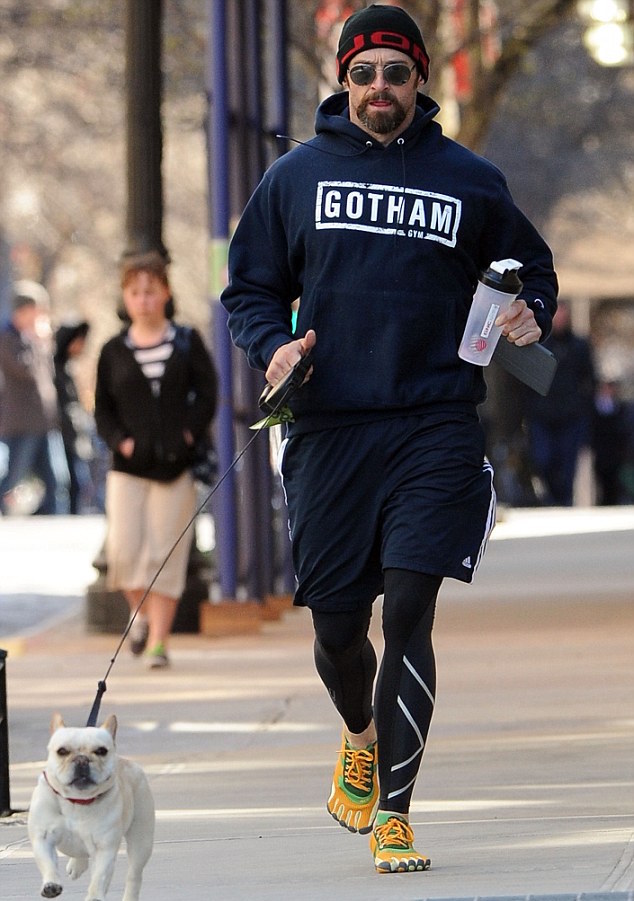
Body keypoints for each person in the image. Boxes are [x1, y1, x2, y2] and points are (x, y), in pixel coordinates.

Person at [221, 3, 558, 874]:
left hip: (433, 422)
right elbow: (249, 289)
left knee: (409, 606)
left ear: (420, 81)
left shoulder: (469, 178)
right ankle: (360, 734)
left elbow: (532, 267)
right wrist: (274, 346)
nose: (380, 88)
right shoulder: (296, 177)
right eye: (364, 73)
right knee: (339, 626)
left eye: (396, 73)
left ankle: (396, 814)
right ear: (343, 81)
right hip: (330, 428)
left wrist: (530, 311)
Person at [95, 251, 217, 668]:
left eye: (151, 291)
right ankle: (141, 615)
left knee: (166, 554)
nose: (143, 299)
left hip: (175, 467)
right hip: (128, 469)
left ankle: (158, 644)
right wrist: (121, 442)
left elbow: (208, 394)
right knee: (123, 554)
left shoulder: (186, 341)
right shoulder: (113, 350)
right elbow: (102, 409)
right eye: (135, 292)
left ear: (166, 292)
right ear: (125, 298)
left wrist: (188, 434)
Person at [524, 300, 596, 506]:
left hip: (570, 416)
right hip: (542, 415)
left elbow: (589, 379)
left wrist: (582, 406)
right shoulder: (539, 346)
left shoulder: (579, 346)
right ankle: (550, 500)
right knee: (543, 459)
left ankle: (564, 503)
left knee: (567, 465)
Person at [0, 281, 59, 515]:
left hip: (45, 421)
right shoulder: (8, 338)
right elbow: (25, 369)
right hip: (22, 423)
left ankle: (54, 522)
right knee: (13, 477)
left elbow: (48, 372)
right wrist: (36, 340)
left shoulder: (34, 339)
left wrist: (43, 342)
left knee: (56, 481)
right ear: (23, 311)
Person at [54, 319, 95, 513]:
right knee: (68, 481)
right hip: (61, 434)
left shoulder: (68, 367)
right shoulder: (54, 368)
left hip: (75, 434)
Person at [591, 380, 629, 505]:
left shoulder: (621, 408)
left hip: (616, 454)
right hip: (600, 453)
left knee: (614, 483)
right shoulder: (593, 408)